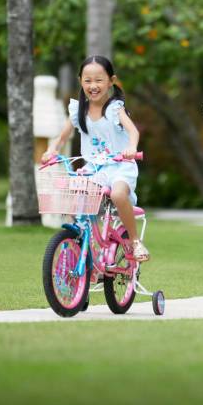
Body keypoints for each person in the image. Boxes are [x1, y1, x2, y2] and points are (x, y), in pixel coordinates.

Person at [42, 55, 149, 262]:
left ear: (111, 81)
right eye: (87, 80)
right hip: (95, 169)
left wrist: (131, 147)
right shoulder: (78, 111)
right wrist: (52, 150)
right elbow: (62, 136)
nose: (93, 85)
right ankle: (82, 239)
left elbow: (133, 132)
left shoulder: (114, 108)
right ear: (80, 81)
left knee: (118, 195)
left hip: (120, 167)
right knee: (73, 192)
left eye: (99, 80)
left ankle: (135, 241)